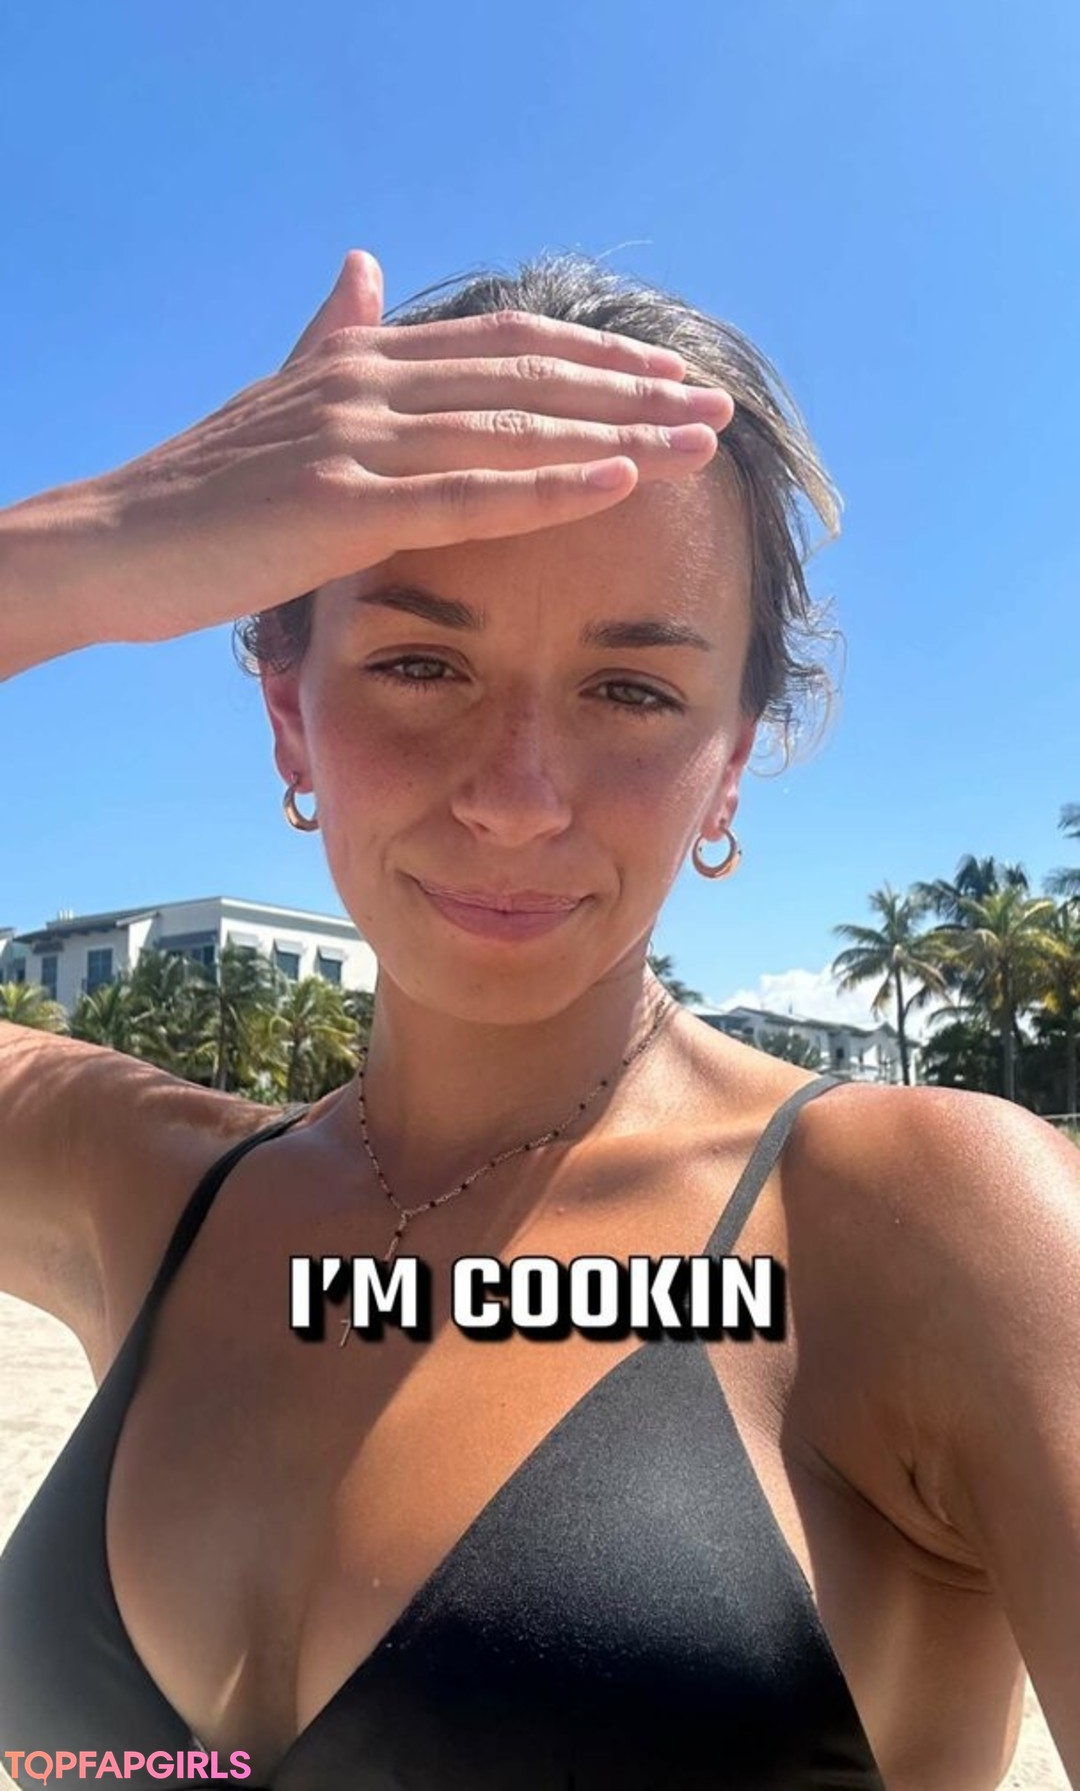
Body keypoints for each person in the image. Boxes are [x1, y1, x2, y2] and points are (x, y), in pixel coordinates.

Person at [0, 249, 1077, 1791]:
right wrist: (79, 552)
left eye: (631, 692)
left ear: (727, 764)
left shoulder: (933, 1230)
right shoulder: (152, 1190)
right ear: (291, 714)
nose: (516, 797)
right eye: (419, 662)